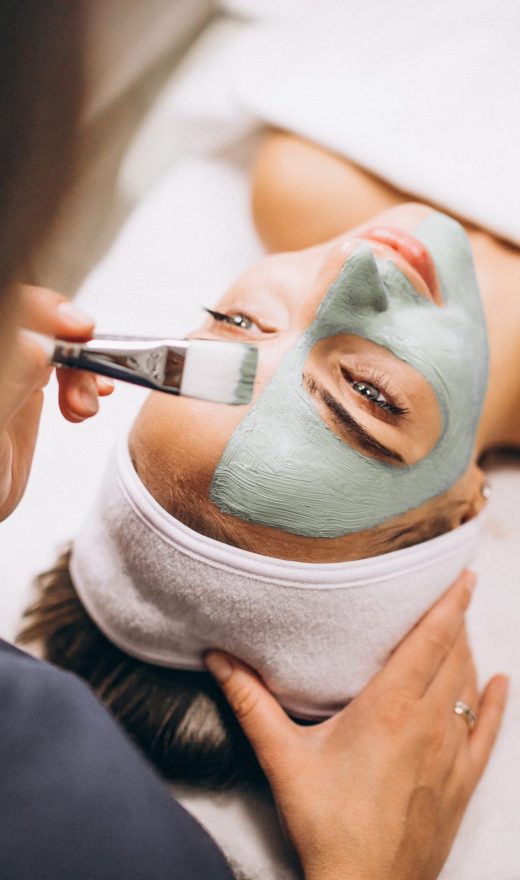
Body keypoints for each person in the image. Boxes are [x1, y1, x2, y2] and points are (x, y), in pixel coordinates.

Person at [1, 4, 508, 880]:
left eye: (237, 320)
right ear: (465, 507)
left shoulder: (301, 184)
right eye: (368, 396)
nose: (355, 268)